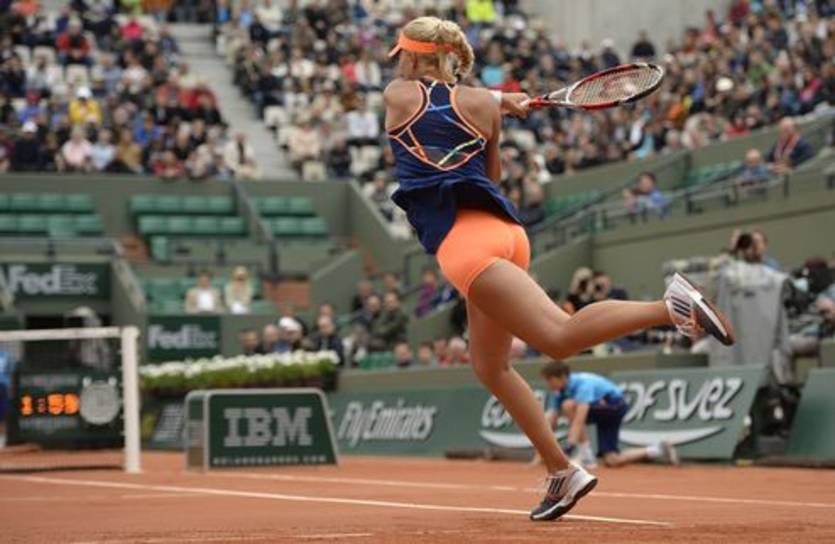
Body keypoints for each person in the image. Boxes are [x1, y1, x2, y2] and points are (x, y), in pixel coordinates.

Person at [383, 16, 734, 522]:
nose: (398, 64)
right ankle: (561, 470)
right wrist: (498, 102)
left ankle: (669, 307)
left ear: (417, 57)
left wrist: (501, 99)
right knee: (489, 366)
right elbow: (490, 175)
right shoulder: (483, 106)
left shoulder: (399, 94)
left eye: (403, 55)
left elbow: (430, 104)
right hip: (507, 234)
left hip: (466, 245)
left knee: (560, 338)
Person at [538, 361, 678, 469]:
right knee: (612, 460)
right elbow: (550, 419)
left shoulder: (583, 385)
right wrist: (540, 454)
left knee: (569, 406)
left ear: (562, 377)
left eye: (550, 380)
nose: (548, 384)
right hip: (605, 411)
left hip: (615, 406)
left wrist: (569, 448)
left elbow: (579, 419)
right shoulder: (559, 391)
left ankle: (586, 456)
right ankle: (658, 449)